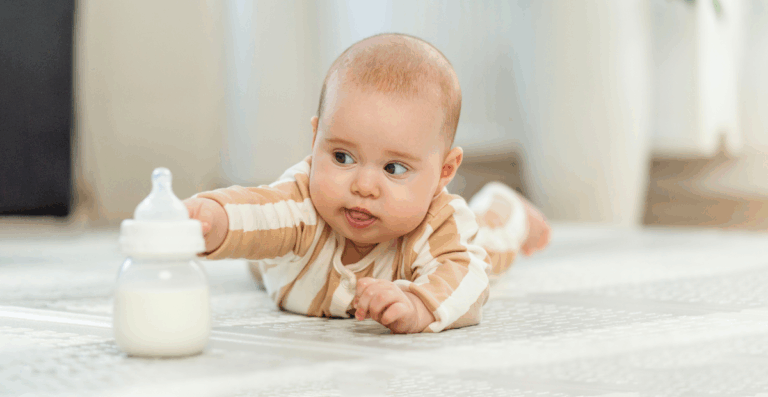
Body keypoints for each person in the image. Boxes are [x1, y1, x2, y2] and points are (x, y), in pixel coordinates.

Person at [183, 33, 550, 334]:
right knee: (265, 238)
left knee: (491, 245)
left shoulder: (439, 223)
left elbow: (466, 278)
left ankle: (508, 208)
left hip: (460, 244)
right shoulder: (304, 201)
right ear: (315, 140)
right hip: (290, 261)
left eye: (394, 168)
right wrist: (212, 218)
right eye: (342, 157)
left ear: (444, 171)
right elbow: (257, 211)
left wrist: (418, 304)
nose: (363, 186)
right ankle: (266, 262)